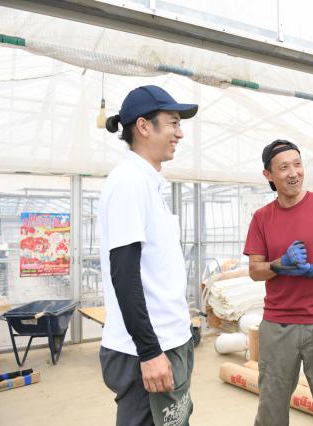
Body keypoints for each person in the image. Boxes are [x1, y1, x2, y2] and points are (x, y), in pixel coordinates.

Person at [98, 85, 198, 426]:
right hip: (147, 350)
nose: (180, 132)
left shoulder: (149, 182)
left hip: (169, 340)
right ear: (144, 127)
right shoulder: (128, 182)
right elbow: (124, 274)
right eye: (173, 123)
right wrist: (150, 351)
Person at [244, 140, 313, 426]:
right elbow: (255, 270)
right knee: (271, 406)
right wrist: (278, 265)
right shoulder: (262, 218)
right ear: (268, 175)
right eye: (283, 167)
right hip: (278, 324)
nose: (293, 172)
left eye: (297, 164)